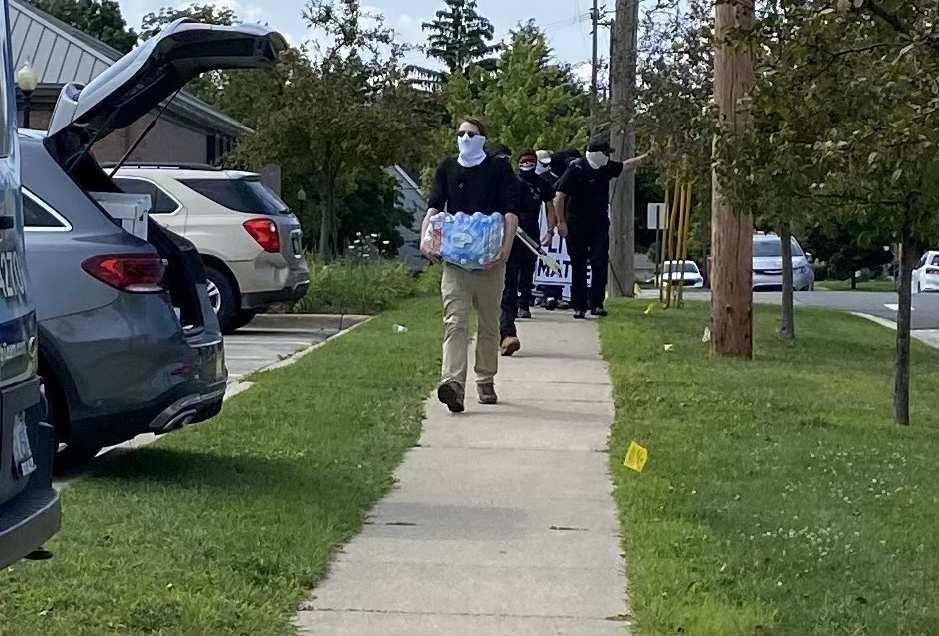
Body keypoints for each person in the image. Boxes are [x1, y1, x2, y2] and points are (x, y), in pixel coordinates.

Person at [421, 117, 519, 413]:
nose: (465, 137)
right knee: (455, 323)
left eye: (471, 134)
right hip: (456, 262)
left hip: (489, 262)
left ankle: (485, 378)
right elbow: (435, 207)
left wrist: (505, 250)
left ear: (482, 139)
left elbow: (510, 212)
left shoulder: (498, 169)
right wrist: (425, 239)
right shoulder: (447, 168)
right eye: (461, 133)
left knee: (489, 325)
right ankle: (453, 384)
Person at [555, 139, 650, 319]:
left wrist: (648, 156)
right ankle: (579, 306)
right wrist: (561, 222)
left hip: (598, 223)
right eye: (606, 153)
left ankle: (597, 304)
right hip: (576, 223)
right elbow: (559, 197)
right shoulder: (576, 169)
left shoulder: (605, 168)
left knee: (599, 263)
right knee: (579, 264)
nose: (609, 156)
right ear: (597, 154)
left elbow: (626, 166)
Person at [499, 150, 557, 357]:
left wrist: (550, 230)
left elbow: (550, 207)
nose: (527, 164)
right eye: (524, 161)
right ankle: (510, 314)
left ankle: (524, 304)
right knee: (509, 277)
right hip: (512, 233)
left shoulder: (541, 184)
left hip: (531, 232)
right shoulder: (511, 181)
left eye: (531, 161)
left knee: (528, 270)